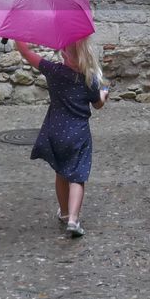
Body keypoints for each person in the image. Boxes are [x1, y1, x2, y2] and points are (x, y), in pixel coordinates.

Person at [15, 37, 109, 237]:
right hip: (79, 134)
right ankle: (74, 220)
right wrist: (104, 92)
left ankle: (64, 213)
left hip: (56, 131)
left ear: (64, 53)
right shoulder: (89, 79)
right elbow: (98, 104)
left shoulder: (53, 71)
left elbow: (27, 54)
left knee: (60, 171)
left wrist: (19, 38)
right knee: (77, 176)